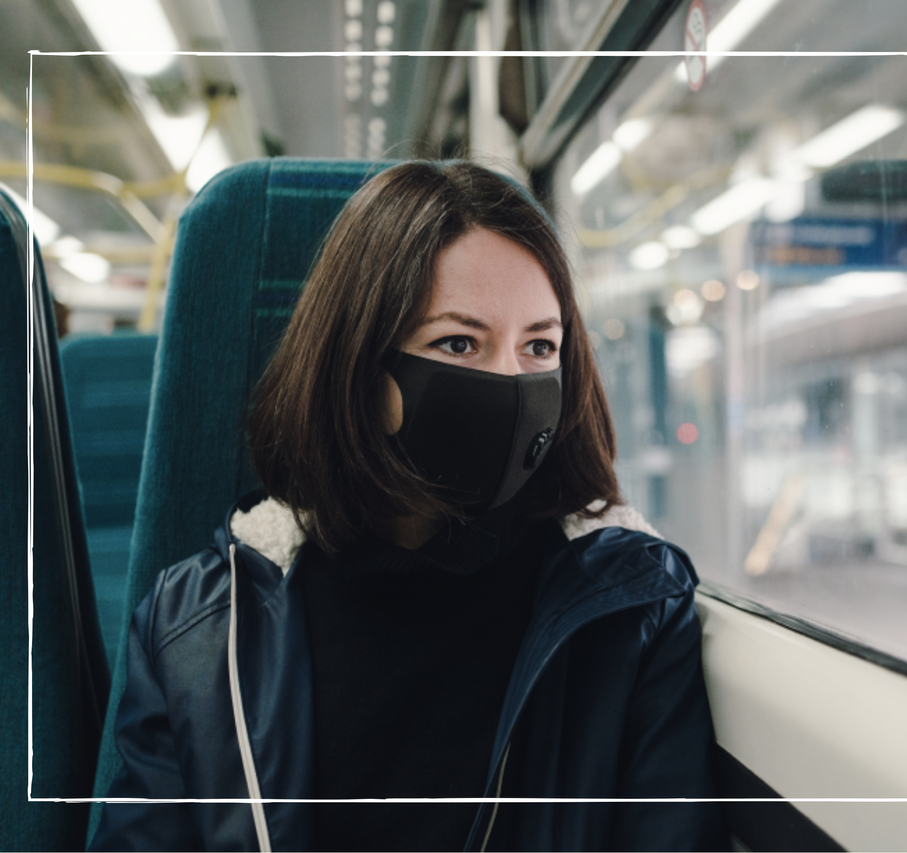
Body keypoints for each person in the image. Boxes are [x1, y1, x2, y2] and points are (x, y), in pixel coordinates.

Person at [90, 161, 727, 852]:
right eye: (459, 343)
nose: (513, 386)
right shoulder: (197, 627)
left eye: (539, 346)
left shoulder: (629, 608)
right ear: (361, 371)